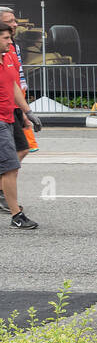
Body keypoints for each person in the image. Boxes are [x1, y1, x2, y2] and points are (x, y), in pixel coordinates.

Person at [0, 24, 38, 229]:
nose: (9, 42)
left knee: (13, 161)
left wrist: (28, 112)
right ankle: (16, 215)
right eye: (6, 38)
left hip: (9, 118)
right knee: (11, 166)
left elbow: (14, 86)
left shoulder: (6, 58)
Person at [0, 7, 36, 153]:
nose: (15, 24)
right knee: (13, 159)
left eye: (15, 20)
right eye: (10, 21)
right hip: (5, 112)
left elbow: (16, 80)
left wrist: (26, 111)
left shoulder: (12, 47)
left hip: (13, 105)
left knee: (21, 151)